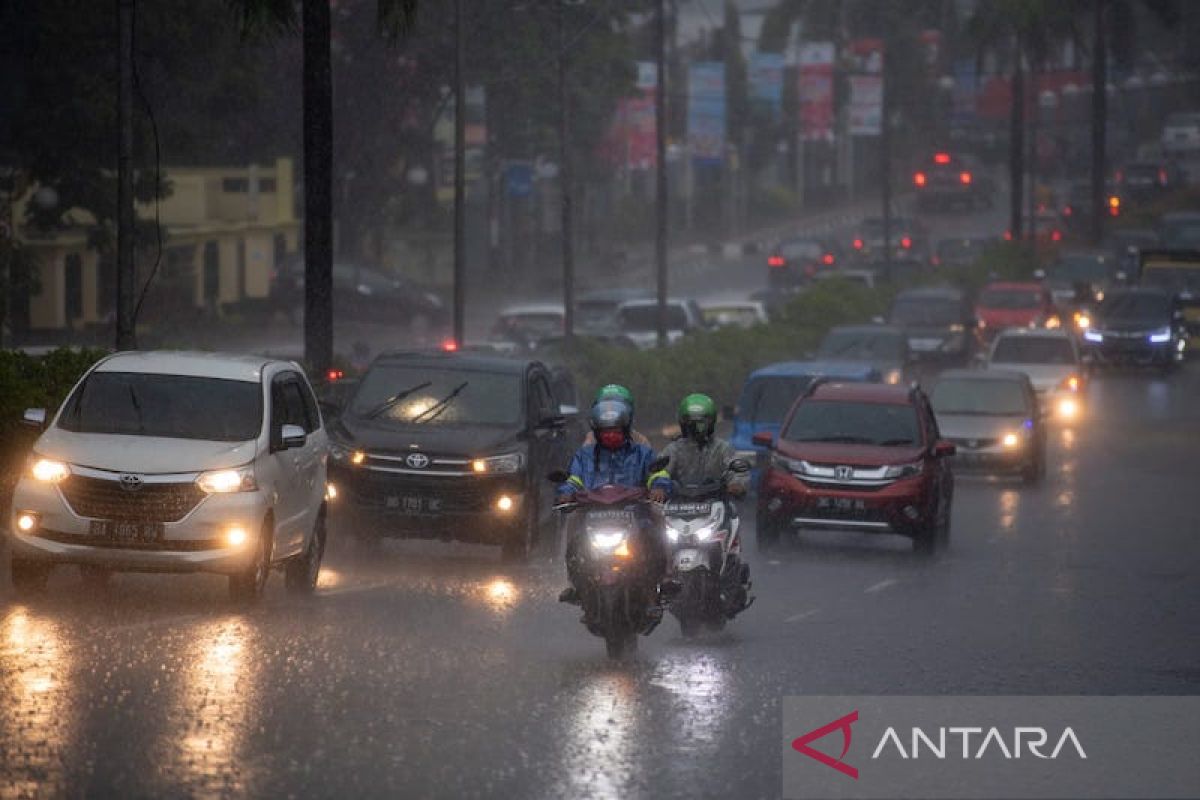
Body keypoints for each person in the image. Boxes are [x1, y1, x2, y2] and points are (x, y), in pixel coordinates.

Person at [557, 398, 671, 606]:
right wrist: (566, 493)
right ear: (596, 432)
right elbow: (574, 479)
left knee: (657, 522)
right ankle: (575, 583)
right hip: (592, 513)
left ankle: (665, 577)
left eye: (616, 432)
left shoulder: (642, 452)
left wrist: (658, 488)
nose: (610, 436)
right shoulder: (584, 456)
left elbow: (657, 473)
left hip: (634, 512)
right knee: (573, 523)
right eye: (605, 432)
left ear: (626, 430)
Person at [660, 393, 752, 614]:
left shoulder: (722, 448)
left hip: (715, 505)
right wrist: (656, 485)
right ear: (683, 423)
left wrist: (736, 484)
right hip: (679, 507)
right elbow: (659, 471)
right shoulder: (674, 450)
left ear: (711, 422)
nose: (696, 428)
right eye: (691, 423)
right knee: (654, 542)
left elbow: (736, 470)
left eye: (701, 422)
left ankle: (728, 581)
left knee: (731, 529)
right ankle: (659, 583)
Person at [581, 384, 650, 446]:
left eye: (615, 407)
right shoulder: (592, 440)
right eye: (606, 407)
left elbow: (649, 458)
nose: (610, 411)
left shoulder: (639, 440)